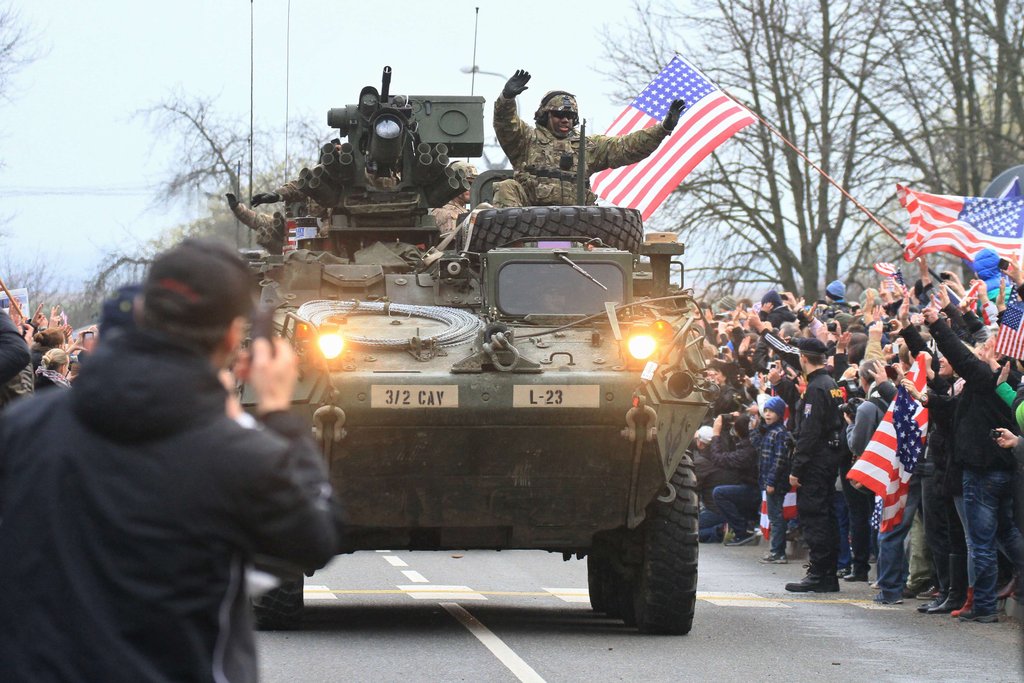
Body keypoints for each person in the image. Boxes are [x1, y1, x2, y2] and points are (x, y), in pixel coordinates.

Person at [0, 239, 345, 681]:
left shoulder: (25, 427)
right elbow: (316, 536)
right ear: (230, 338)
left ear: (143, 313)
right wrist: (278, 413)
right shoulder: (238, 454)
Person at [491, 69, 686, 207]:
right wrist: (506, 99)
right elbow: (506, 125)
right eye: (559, 115)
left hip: (577, 220)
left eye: (570, 116)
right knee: (506, 187)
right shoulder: (527, 139)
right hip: (525, 217)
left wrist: (663, 128)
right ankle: (510, 245)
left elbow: (627, 147)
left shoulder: (587, 146)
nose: (565, 120)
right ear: (545, 115)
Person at [785, 337, 844, 593]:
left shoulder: (816, 387)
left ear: (804, 359)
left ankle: (819, 573)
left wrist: (797, 468)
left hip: (816, 461)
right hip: (828, 457)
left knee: (815, 516)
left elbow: (809, 432)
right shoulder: (830, 383)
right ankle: (828, 573)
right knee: (827, 516)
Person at [708, 412, 760, 546]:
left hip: (755, 490)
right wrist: (733, 418)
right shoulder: (754, 440)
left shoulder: (746, 452)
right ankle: (746, 525)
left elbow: (718, 458)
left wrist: (716, 434)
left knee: (719, 493)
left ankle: (741, 531)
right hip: (754, 486)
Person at [753, 396, 792, 563]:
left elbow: (779, 460)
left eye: (772, 412)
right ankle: (776, 550)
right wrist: (757, 428)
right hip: (768, 480)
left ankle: (778, 552)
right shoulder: (768, 431)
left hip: (775, 482)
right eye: (766, 411)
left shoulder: (780, 433)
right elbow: (755, 444)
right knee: (774, 515)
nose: (768, 415)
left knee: (776, 516)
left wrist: (771, 481)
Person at [430, 161, 478, 235]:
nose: (472, 188)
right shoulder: (447, 213)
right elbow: (455, 244)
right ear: (454, 184)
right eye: (468, 184)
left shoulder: (463, 211)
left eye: (475, 184)